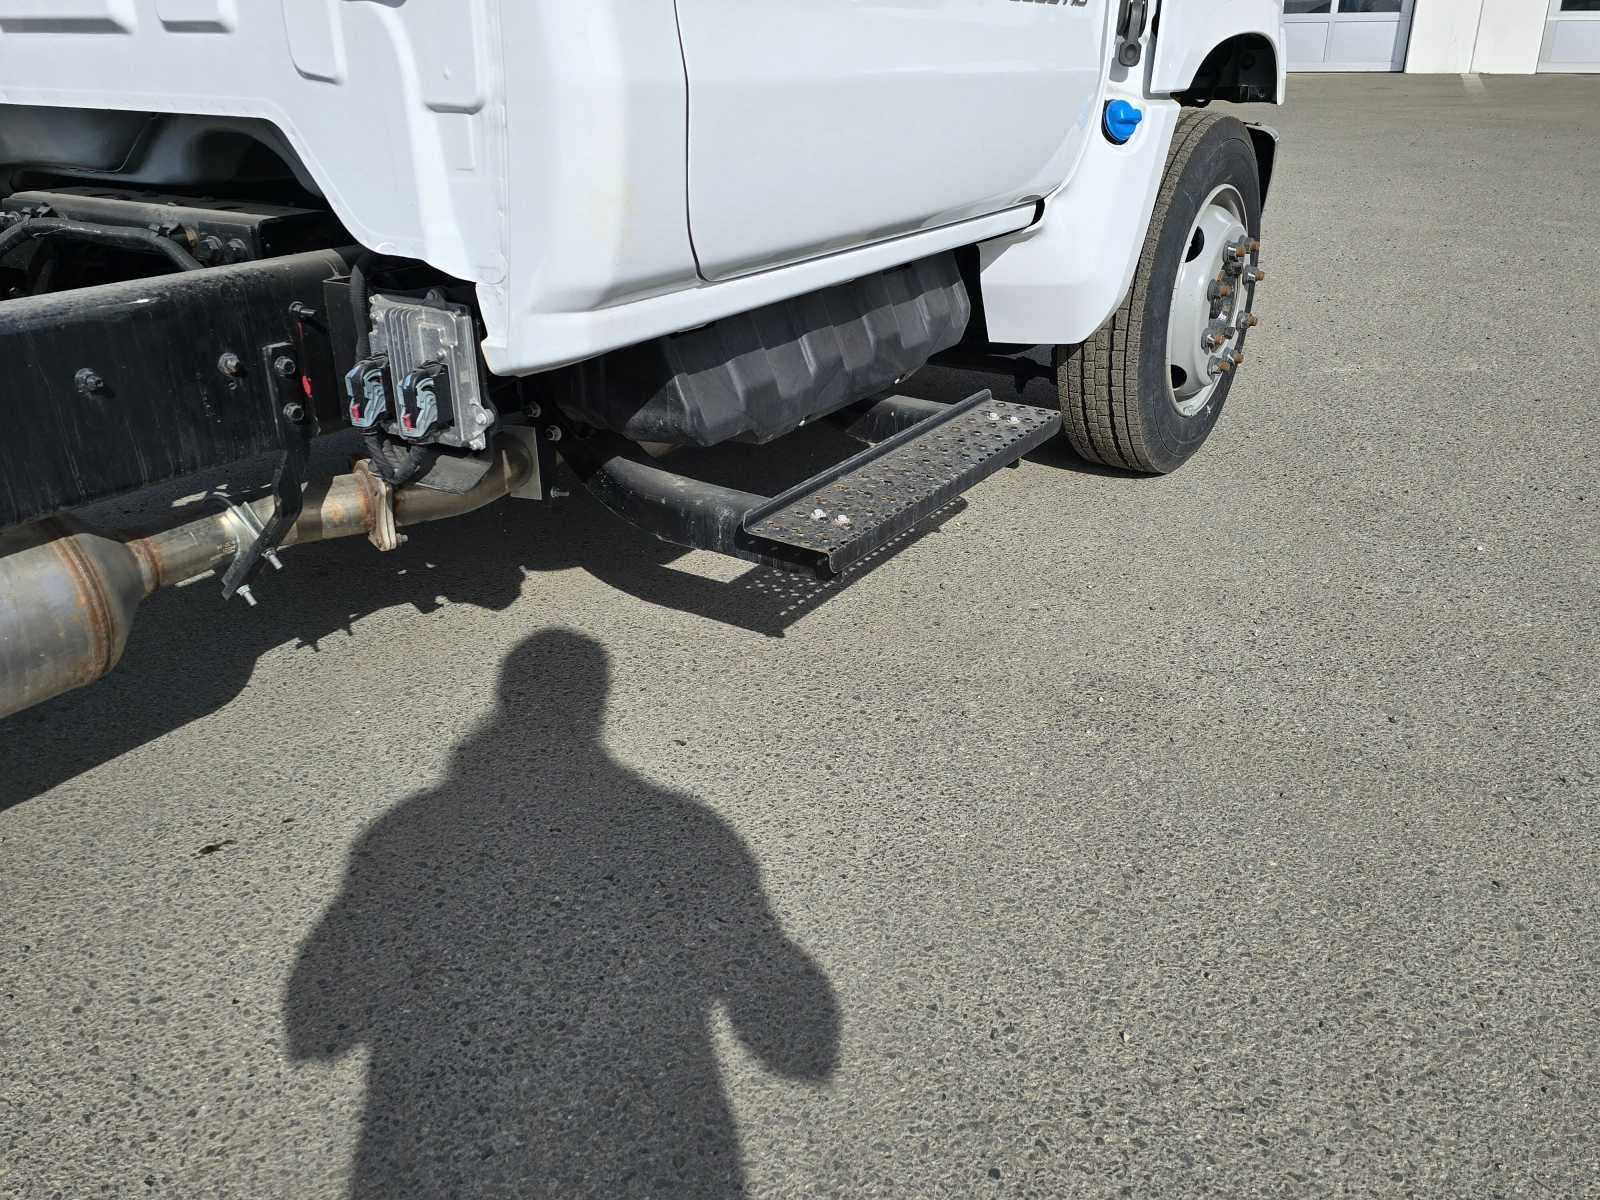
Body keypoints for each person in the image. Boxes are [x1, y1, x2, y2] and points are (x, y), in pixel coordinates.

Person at [287, 629, 840, 1197]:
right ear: (596, 703)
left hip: (436, 1156)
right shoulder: (691, 828)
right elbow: (787, 1028)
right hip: (650, 1148)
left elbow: (317, 1020)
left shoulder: (404, 830)